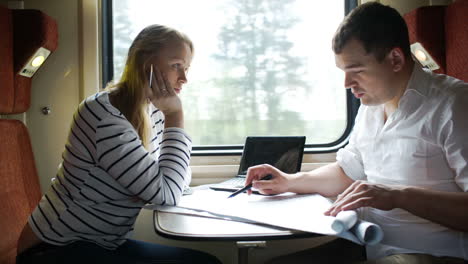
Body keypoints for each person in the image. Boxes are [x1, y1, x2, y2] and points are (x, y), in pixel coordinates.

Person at [245, 2, 468, 264]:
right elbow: (348, 170)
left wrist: (397, 196)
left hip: (431, 255)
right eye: (343, 72)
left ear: (395, 59)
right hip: (367, 243)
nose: (347, 84)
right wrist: (290, 181)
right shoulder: (371, 106)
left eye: (357, 71)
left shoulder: (454, 105)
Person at [16, 24, 220, 264]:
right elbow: (168, 192)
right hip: (56, 247)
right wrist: (176, 117)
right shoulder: (104, 116)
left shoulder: (152, 111)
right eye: (176, 66)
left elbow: (175, 178)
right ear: (146, 62)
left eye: (186, 68)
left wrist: (154, 185)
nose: (184, 78)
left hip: (102, 242)